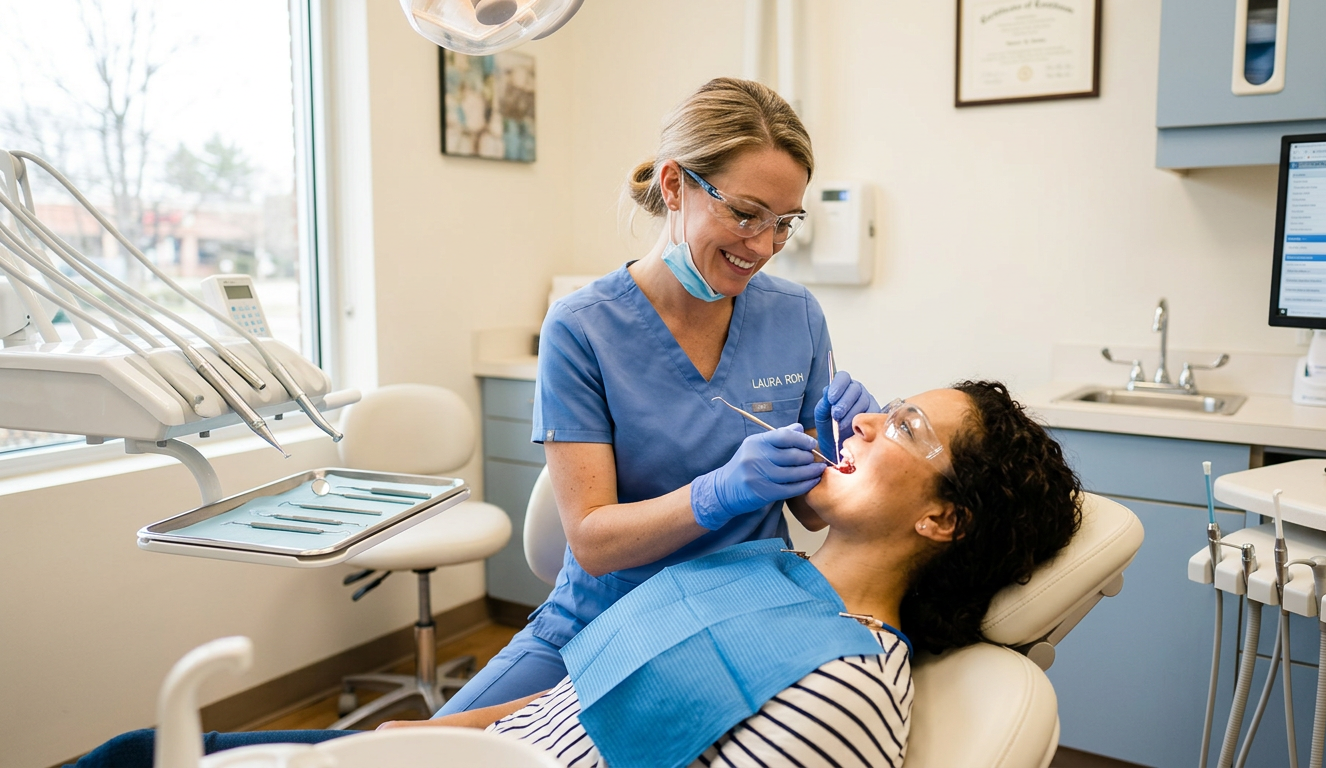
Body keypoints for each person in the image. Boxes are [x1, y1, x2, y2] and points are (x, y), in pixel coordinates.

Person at [72, 381, 1082, 768]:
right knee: (132, 751)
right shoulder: (757, 566)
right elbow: (570, 700)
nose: (859, 419)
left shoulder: (848, 686)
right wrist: (411, 736)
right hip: (463, 755)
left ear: (943, 516)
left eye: (903, 426)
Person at [434, 75, 882, 713]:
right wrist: (720, 491)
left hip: (742, 612)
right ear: (675, 186)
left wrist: (838, 446)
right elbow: (590, 539)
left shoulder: (797, 315)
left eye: (785, 224)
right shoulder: (583, 327)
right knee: (425, 746)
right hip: (600, 615)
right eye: (745, 213)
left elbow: (812, 514)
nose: (762, 247)